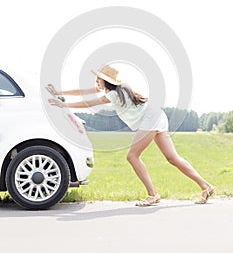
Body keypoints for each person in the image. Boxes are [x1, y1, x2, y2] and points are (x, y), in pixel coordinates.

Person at [48, 64, 214, 206]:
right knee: (172, 158)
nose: (96, 82)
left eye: (98, 79)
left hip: (151, 119)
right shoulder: (114, 90)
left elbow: (87, 102)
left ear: (106, 80)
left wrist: (63, 104)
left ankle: (152, 195)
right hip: (157, 116)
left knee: (132, 156)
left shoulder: (113, 94)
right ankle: (206, 187)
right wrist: (58, 91)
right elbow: (82, 92)